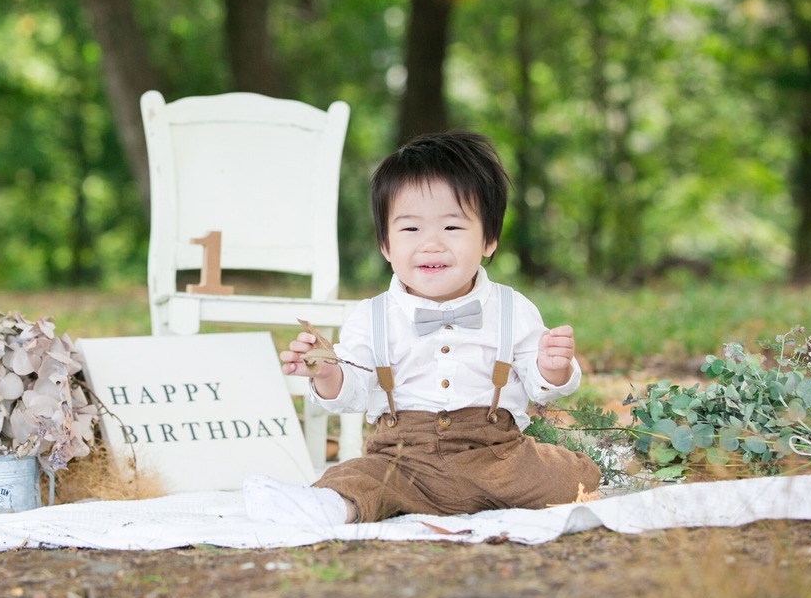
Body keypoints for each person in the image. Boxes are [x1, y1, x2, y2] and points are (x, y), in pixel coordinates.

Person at [243, 130, 601, 525]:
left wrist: (552, 368)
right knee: (361, 479)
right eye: (411, 230)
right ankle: (326, 507)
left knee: (574, 475)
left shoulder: (512, 308)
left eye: (452, 228)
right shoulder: (372, 315)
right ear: (386, 245)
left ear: (489, 239)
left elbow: (540, 384)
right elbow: (353, 390)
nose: (431, 244)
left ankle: (480, 493)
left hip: (496, 456)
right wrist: (328, 373)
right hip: (401, 459)